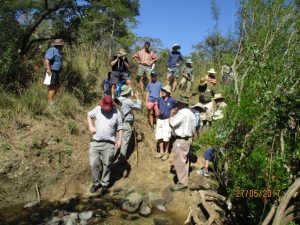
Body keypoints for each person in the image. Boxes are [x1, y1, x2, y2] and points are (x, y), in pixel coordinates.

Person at [87, 96, 123, 194]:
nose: (106, 108)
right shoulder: (98, 109)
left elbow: (120, 127)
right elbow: (89, 115)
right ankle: (96, 183)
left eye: (108, 106)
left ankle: (104, 184)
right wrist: (91, 126)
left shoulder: (116, 112)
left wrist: (120, 140)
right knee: (93, 163)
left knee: (107, 165)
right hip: (95, 142)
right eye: (105, 106)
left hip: (109, 143)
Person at [169, 96, 195, 191]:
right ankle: (184, 180)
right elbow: (193, 129)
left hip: (181, 139)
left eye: (179, 103)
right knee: (184, 161)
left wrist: (171, 114)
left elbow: (171, 123)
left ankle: (182, 183)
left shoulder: (182, 113)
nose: (177, 104)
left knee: (179, 162)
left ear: (183, 104)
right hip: (188, 139)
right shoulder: (191, 114)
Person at [116, 85, 142, 162]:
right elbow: (139, 107)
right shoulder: (128, 101)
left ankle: (111, 158)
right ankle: (121, 159)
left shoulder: (116, 99)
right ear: (128, 92)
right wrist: (137, 98)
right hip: (126, 124)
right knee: (125, 141)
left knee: (117, 140)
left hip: (117, 124)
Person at [155, 85, 177, 161]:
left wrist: (174, 112)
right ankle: (161, 151)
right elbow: (157, 106)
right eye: (162, 90)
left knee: (166, 137)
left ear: (168, 92)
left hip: (167, 120)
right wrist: (157, 111)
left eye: (164, 91)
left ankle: (166, 152)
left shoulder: (172, 100)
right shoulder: (159, 99)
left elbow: (177, 107)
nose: (162, 92)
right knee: (159, 136)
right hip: (160, 120)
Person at [44, 39, 64, 106]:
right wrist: (49, 70)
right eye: (62, 44)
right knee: (52, 86)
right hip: (52, 70)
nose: (63, 46)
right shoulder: (52, 50)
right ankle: (50, 102)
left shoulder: (58, 51)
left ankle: (51, 99)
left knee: (57, 86)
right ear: (59, 45)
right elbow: (47, 60)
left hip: (56, 71)